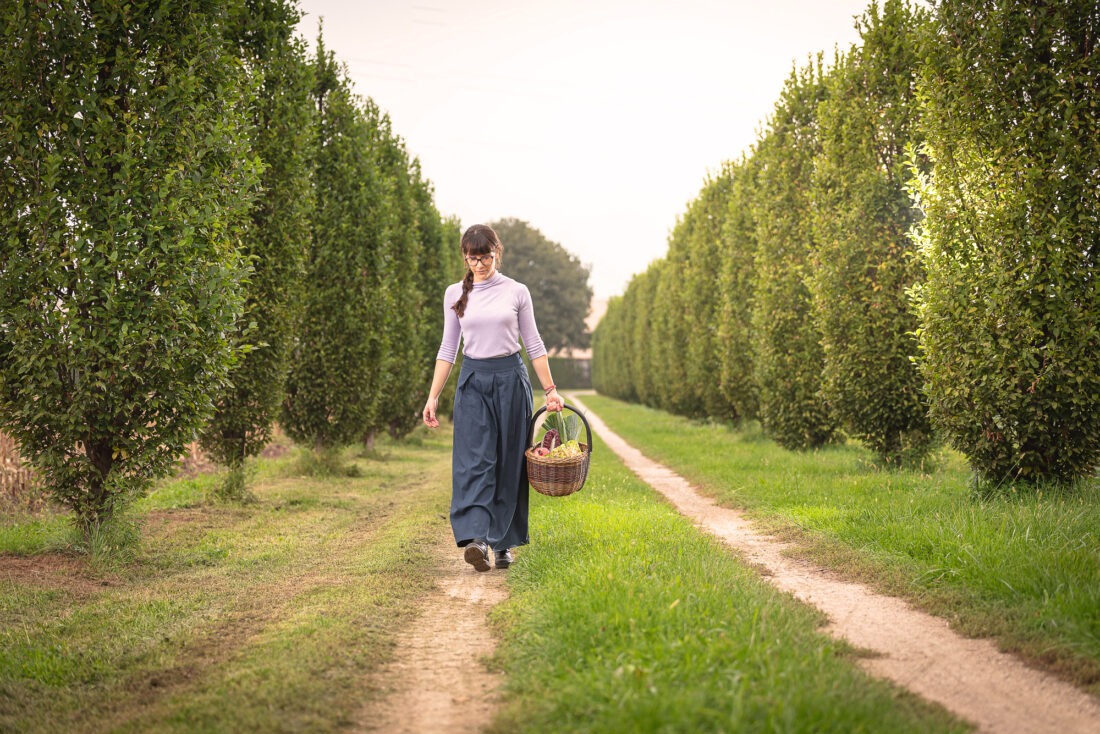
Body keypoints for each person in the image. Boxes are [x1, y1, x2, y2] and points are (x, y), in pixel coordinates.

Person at [422, 224, 563, 572]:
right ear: (465, 257)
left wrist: (550, 390)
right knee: (474, 460)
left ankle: (503, 544)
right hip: (473, 381)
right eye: (473, 258)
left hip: (510, 380)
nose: (479, 264)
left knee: (508, 460)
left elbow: (533, 344)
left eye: (485, 257)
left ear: (496, 252)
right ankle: (477, 539)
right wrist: (433, 396)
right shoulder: (454, 293)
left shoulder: (517, 291)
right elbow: (447, 348)